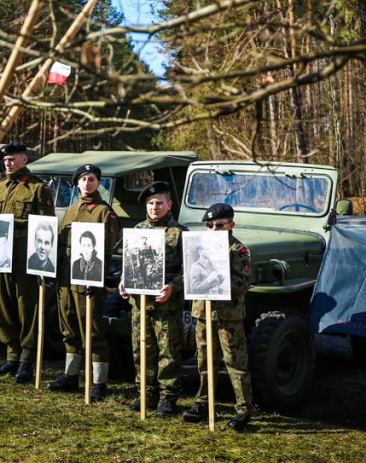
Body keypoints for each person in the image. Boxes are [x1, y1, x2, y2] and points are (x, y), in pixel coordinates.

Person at [48, 163, 119, 400]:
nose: (87, 183)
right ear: (76, 183)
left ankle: (99, 382)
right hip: (66, 280)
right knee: (68, 328)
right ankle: (70, 375)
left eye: (92, 179)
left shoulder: (104, 212)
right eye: (83, 179)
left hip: (89, 280)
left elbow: (106, 252)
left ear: (99, 183)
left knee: (92, 331)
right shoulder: (70, 211)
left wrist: (96, 278)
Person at [182, 204, 253, 432]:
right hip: (203, 314)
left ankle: (243, 409)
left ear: (231, 225)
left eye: (219, 225)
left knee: (235, 362)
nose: (214, 229)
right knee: (204, 361)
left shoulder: (238, 250)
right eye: (210, 225)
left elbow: (244, 285)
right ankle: (204, 402)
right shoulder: (200, 247)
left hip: (228, 316)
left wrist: (221, 277)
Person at [0, 142, 54, 384]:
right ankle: (12, 356)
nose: (8, 162)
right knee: (3, 303)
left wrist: (44, 262)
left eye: (13, 158)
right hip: (1, 252)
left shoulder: (38, 188)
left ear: (24, 160)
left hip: (27, 254)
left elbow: (47, 227)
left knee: (28, 306)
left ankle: (27, 360)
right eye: (5, 159)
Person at [120, 181, 185, 417]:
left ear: (169, 204)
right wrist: (124, 281)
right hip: (140, 303)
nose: (154, 207)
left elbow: (189, 271)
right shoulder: (138, 230)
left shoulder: (179, 233)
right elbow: (130, 265)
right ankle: (145, 394)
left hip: (166, 304)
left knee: (168, 351)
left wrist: (173, 287)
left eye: (159, 203)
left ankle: (168, 398)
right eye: (150, 203)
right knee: (141, 349)